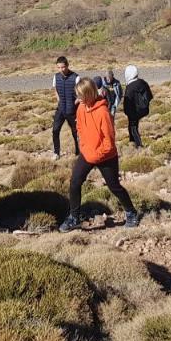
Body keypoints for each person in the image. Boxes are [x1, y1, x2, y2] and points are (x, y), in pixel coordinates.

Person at [60, 77, 140, 232]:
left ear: (89, 94)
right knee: (75, 182)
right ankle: (74, 217)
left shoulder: (103, 112)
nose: (78, 99)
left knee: (114, 187)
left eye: (81, 96)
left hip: (106, 156)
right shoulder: (82, 108)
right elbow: (81, 130)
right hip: (88, 152)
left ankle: (131, 212)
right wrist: (84, 148)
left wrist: (94, 155)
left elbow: (109, 143)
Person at [51, 55, 80, 161]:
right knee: (55, 130)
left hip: (72, 111)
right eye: (58, 67)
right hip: (61, 109)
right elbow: (55, 89)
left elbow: (80, 94)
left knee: (75, 132)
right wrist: (58, 98)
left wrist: (74, 103)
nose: (61, 70)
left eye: (63, 67)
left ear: (67, 65)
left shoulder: (76, 77)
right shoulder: (56, 77)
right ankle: (56, 152)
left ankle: (78, 152)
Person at [122, 64, 153, 149]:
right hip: (144, 109)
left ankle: (138, 145)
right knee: (133, 126)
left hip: (134, 111)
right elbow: (150, 96)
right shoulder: (143, 82)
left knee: (133, 128)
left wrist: (127, 112)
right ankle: (132, 143)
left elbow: (127, 102)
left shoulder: (130, 87)